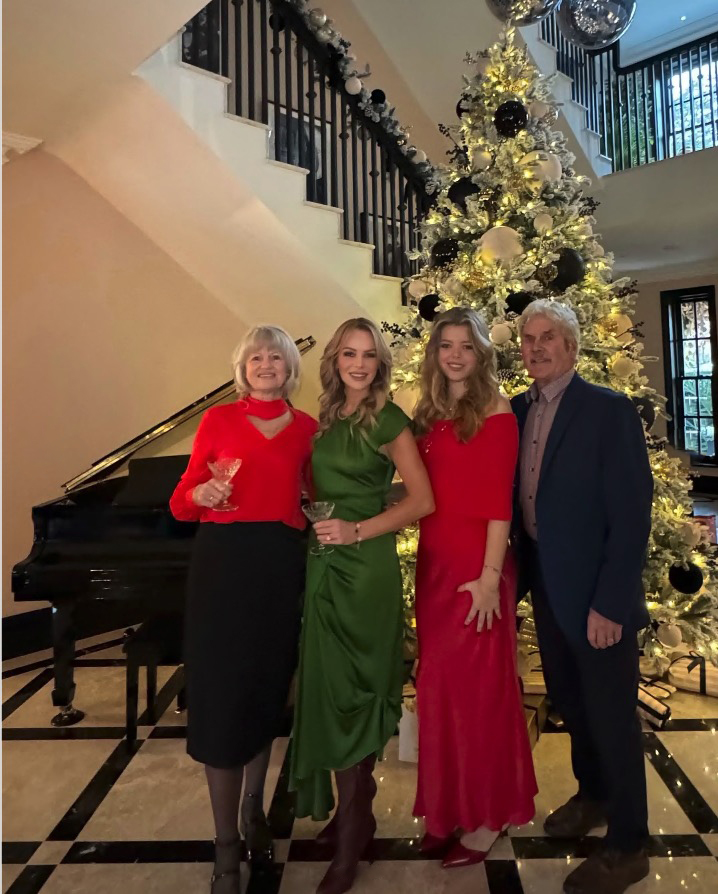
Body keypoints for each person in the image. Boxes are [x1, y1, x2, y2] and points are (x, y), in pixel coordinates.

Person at [511, 300, 653, 894]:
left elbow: (632, 514)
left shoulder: (607, 409)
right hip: (546, 581)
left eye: (549, 338)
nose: (538, 347)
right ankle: (592, 795)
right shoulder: (516, 410)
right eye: (529, 339)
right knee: (570, 699)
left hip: (597, 592)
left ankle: (628, 844)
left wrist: (610, 605)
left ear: (571, 347)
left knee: (613, 715)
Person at [169, 325, 317, 894]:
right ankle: (225, 846)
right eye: (256, 357)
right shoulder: (219, 421)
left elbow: (312, 497)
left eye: (275, 357)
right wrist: (200, 495)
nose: (265, 364)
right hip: (224, 567)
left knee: (265, 687)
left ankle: (255, 810)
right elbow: (182, 502)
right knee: (223, 696)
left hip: (280, 567)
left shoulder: (308, 429)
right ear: (243, 367)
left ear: (289, 369)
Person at [290, 317, 434, 894]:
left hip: (365, 569)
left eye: (368, 355)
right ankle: (358, 812)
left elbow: (422, 499)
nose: (357, 363)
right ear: (334, 360)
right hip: (323, 567)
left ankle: (352, 835)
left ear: (380, 363)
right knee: (328, 689)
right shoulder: (324, 419)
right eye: (348, 353)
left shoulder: (391, 418)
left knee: (357, 691)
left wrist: (359, 530)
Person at [411, 307, 537, 868]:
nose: (456, 354)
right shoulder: (429, 411)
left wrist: (489, 580)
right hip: (434, 568)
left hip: (477, 570)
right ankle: (450, 809)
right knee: (440, 690)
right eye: (446, 345)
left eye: (466, 345)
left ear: (481, 352)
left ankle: (490, 814)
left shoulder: (497, 410)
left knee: (482, 694)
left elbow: (498, 503)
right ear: (435, 353)